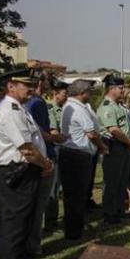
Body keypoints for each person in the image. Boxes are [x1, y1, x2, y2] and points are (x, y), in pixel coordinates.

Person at [0, 70, 54, 259]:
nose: (31, 89)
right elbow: (26, 148)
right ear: (11, 86)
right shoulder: (10, 112)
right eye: (26, 85)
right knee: (15, 226)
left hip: (24, 171)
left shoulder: (19, 108)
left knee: (21, 223)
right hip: (18, 172)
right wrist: (45, 164)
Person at [59, 80, 106, 240]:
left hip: (72, 153)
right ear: (82, 93)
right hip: (77, 155)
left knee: (73, 195)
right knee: (77, 195)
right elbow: (91, 133)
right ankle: (74, 232)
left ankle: (74, 229)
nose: (91, 95)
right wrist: (102, 146)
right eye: (89, 92)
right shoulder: (78, 109)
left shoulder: (70, 106)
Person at [25, 73, 65, 256]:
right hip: (42, 155)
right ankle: (34, 244)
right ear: (42, 82)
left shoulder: (31, 102)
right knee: (43, 200)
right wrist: (56, 138)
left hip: (38, 154)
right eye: (49, 81)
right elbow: (39, 131)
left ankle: (33, 241)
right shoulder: (37, 103)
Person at [98, 74, 130, 224]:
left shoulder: (117, 106)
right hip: (114, 146)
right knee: (112, 181)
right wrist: (129, 142)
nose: (122, 90)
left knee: (121, 181)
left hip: (123, 146)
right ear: (111, 88)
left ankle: (119, 210)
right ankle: (109, 213)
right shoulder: (106, 106)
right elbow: (113, 129)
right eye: (120, 88)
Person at [44, 79, 70, 232]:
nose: (66, 96)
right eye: (64, 94)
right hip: (56, 149)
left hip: (64, 149)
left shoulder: (63, 109)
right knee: (53, 188)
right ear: (56, 93)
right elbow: (53, 132)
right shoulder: (50, 109)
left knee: (61, 185)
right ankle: (50, 221)